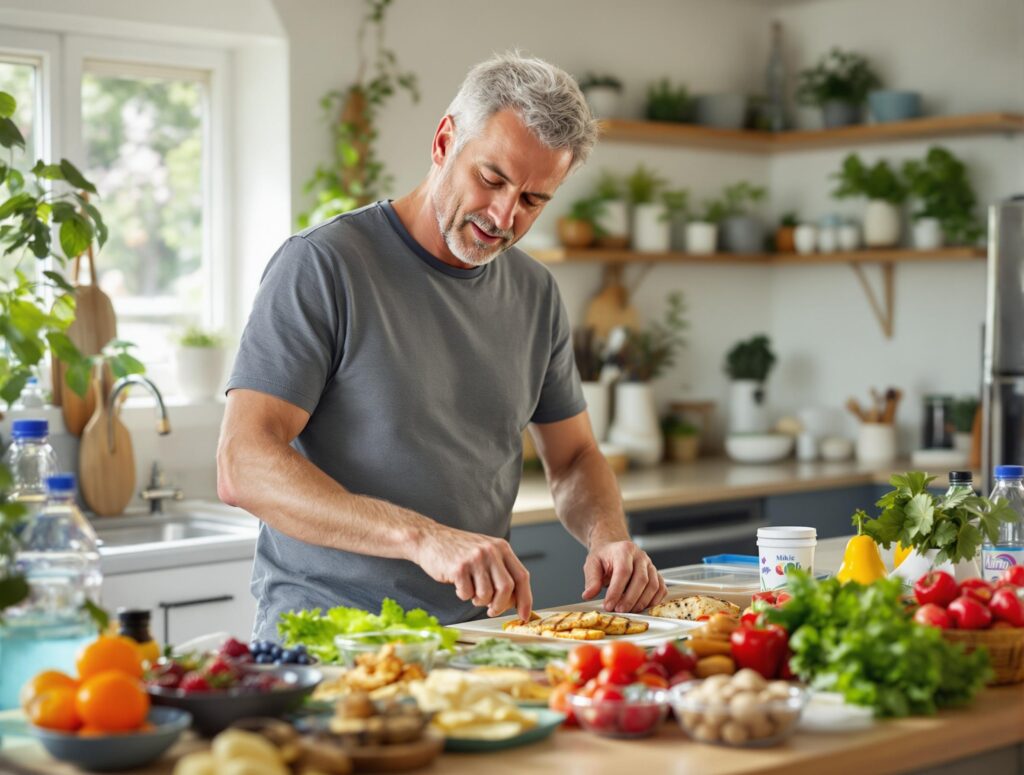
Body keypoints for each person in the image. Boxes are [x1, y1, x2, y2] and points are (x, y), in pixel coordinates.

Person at [217, 51, 667, 641]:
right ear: (444, 141)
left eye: (533, 200)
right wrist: (422, 537)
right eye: (492, 179)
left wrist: (609, 534)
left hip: (476, 641)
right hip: (329, 641)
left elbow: (576, 457)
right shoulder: (325, 265)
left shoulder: (534, 292)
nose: (505, 215)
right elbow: (242, 464)